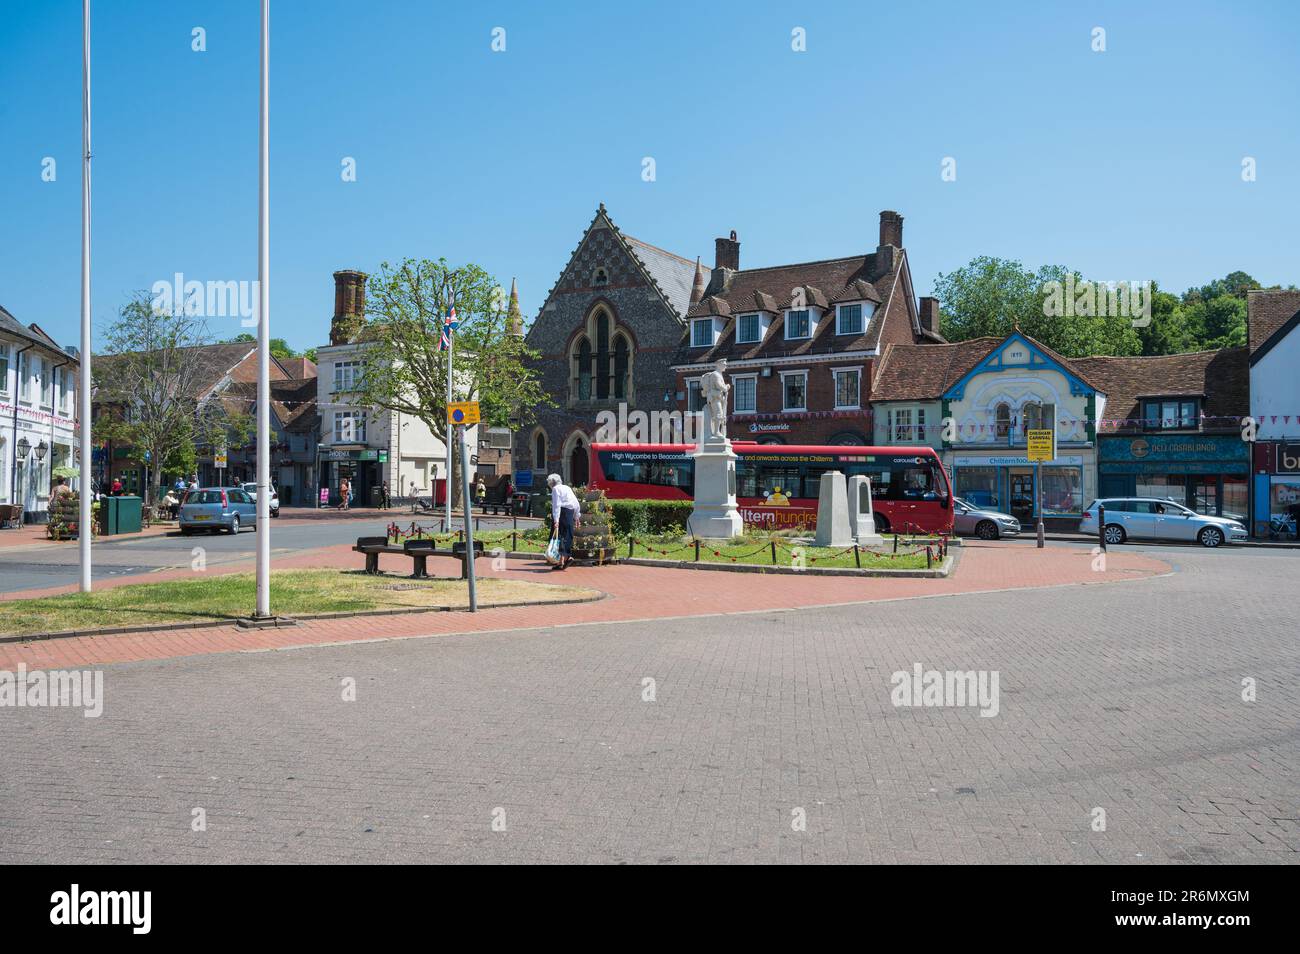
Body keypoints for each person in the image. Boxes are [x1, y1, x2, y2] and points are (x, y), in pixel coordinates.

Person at [547, 473, 581, 570]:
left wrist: (556, 520)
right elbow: (575, 503)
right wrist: (577, 517)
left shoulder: (555, 489)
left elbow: (556, 505)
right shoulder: (567, 488)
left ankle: (562, 560)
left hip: (562, 513)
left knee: (557, 538)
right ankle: (563, 560)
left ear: (551, 483)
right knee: (567, 536)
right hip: (569, 513)